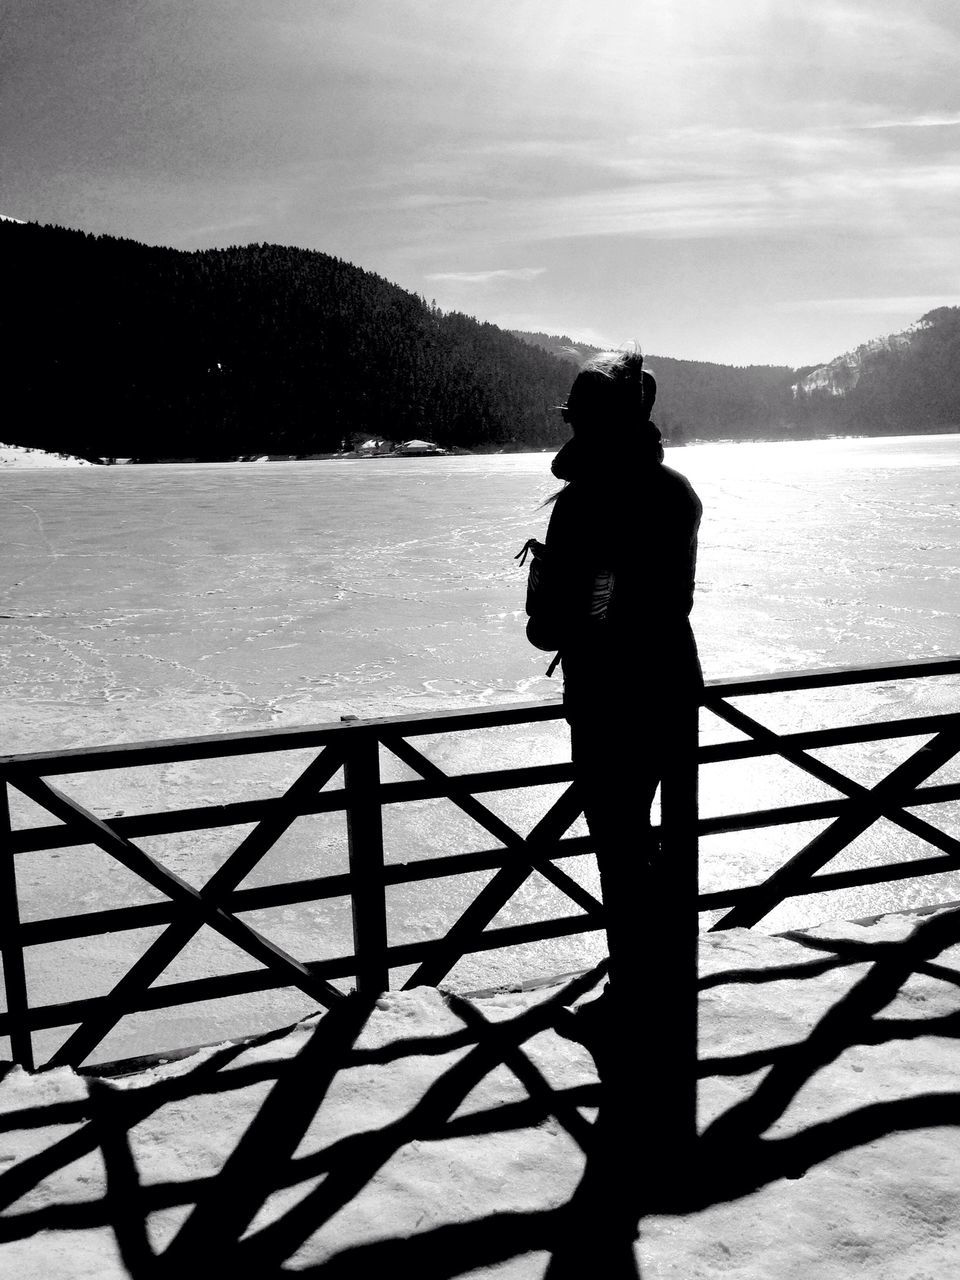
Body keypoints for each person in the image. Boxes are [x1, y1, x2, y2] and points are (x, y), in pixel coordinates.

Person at [542, 350, 702, 1032]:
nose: (572, 427)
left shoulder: (589, 504)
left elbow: (583, 613)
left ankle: (635, 1001)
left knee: (621, 849)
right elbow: (665, 597)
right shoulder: (675, 491)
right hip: (671, 686)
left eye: (579, 416)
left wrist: (565, 605)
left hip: (613, 700)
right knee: (666, 849)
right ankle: (664, 990)